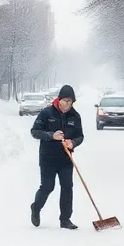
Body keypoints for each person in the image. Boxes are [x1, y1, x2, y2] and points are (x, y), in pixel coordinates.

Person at [29, 84, 84, 230]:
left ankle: (65, 219)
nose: (68, 104)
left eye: (70, 102)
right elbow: (34, 131)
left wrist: (73, 142)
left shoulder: (75, 116)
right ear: (59, 99)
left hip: (66, 158)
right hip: (48, 157)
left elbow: (80, 136)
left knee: (67, 187)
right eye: (65, 101)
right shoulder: (47, 113)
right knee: (48, 186)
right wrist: (50, 135)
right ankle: (36, 207)